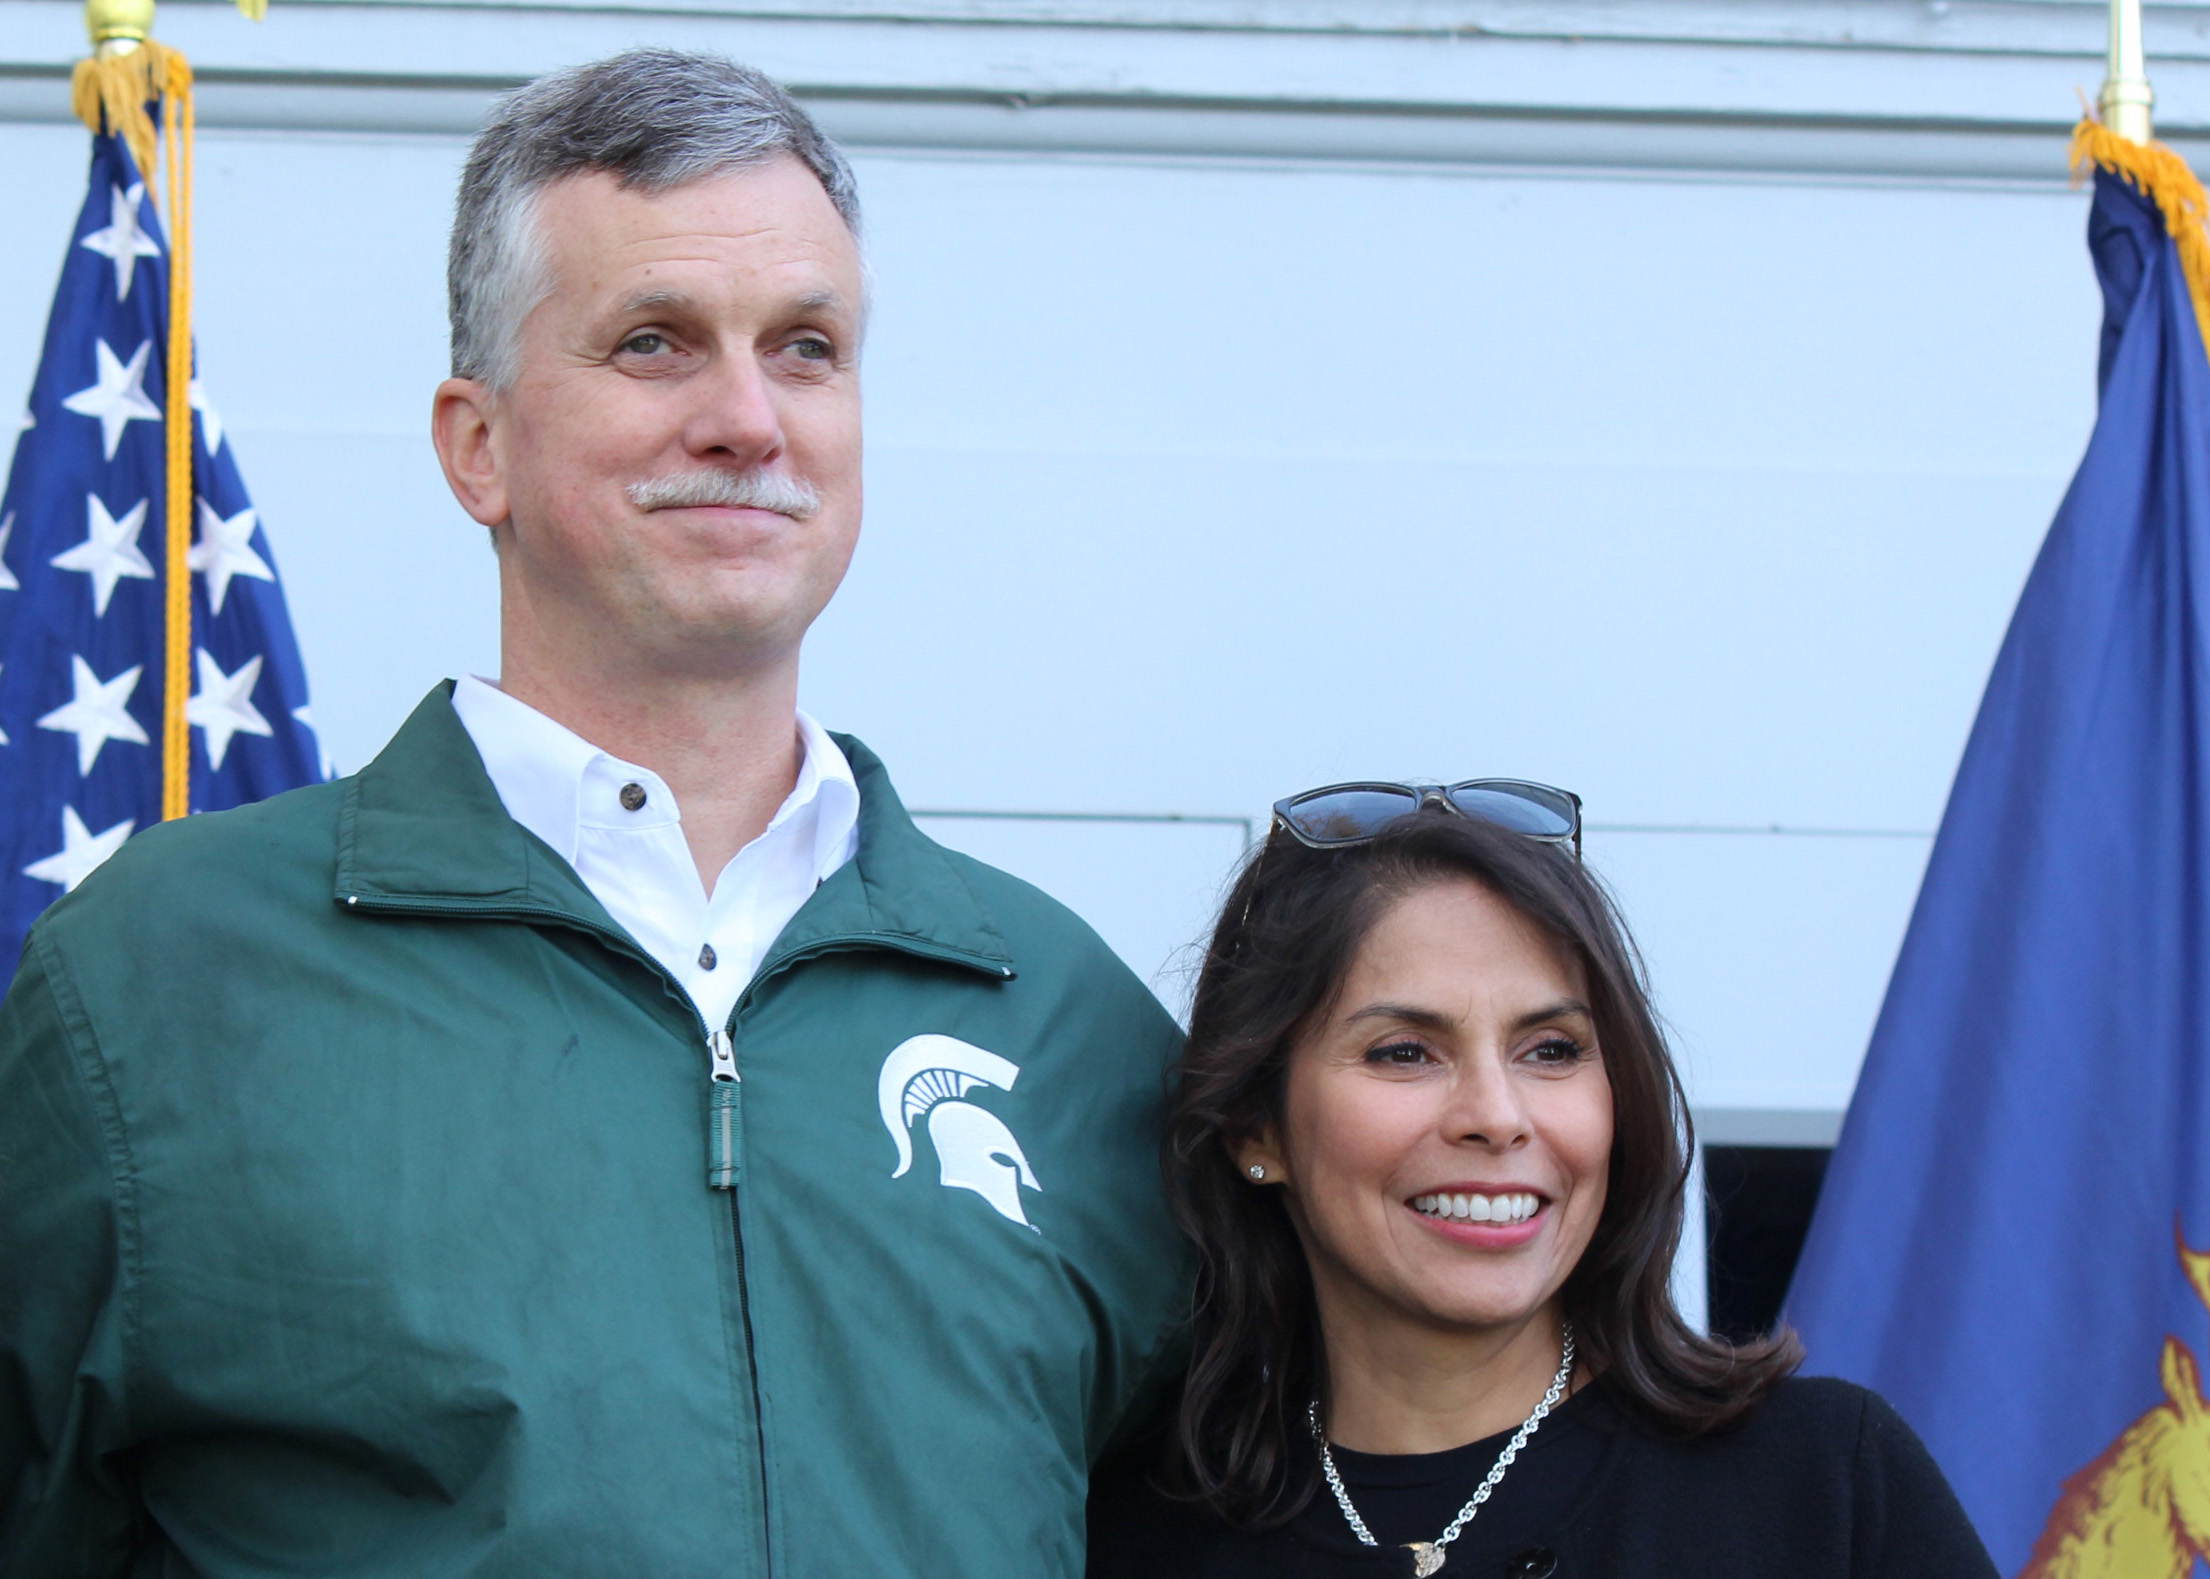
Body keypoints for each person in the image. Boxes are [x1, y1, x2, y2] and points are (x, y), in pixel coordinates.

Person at [0, 50, 1186, 1575]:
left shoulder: (1066, 1018)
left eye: (807, 346)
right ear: (475, 444)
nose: (748, 419)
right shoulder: (157, 979)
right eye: (654, 343)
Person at [1088, 782, 1998, 1578]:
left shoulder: (1823, 1485)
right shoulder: (1132, 1535)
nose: (1498, 1111)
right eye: (1405, 1050)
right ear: (1258, 1124)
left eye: (1552, 1049)